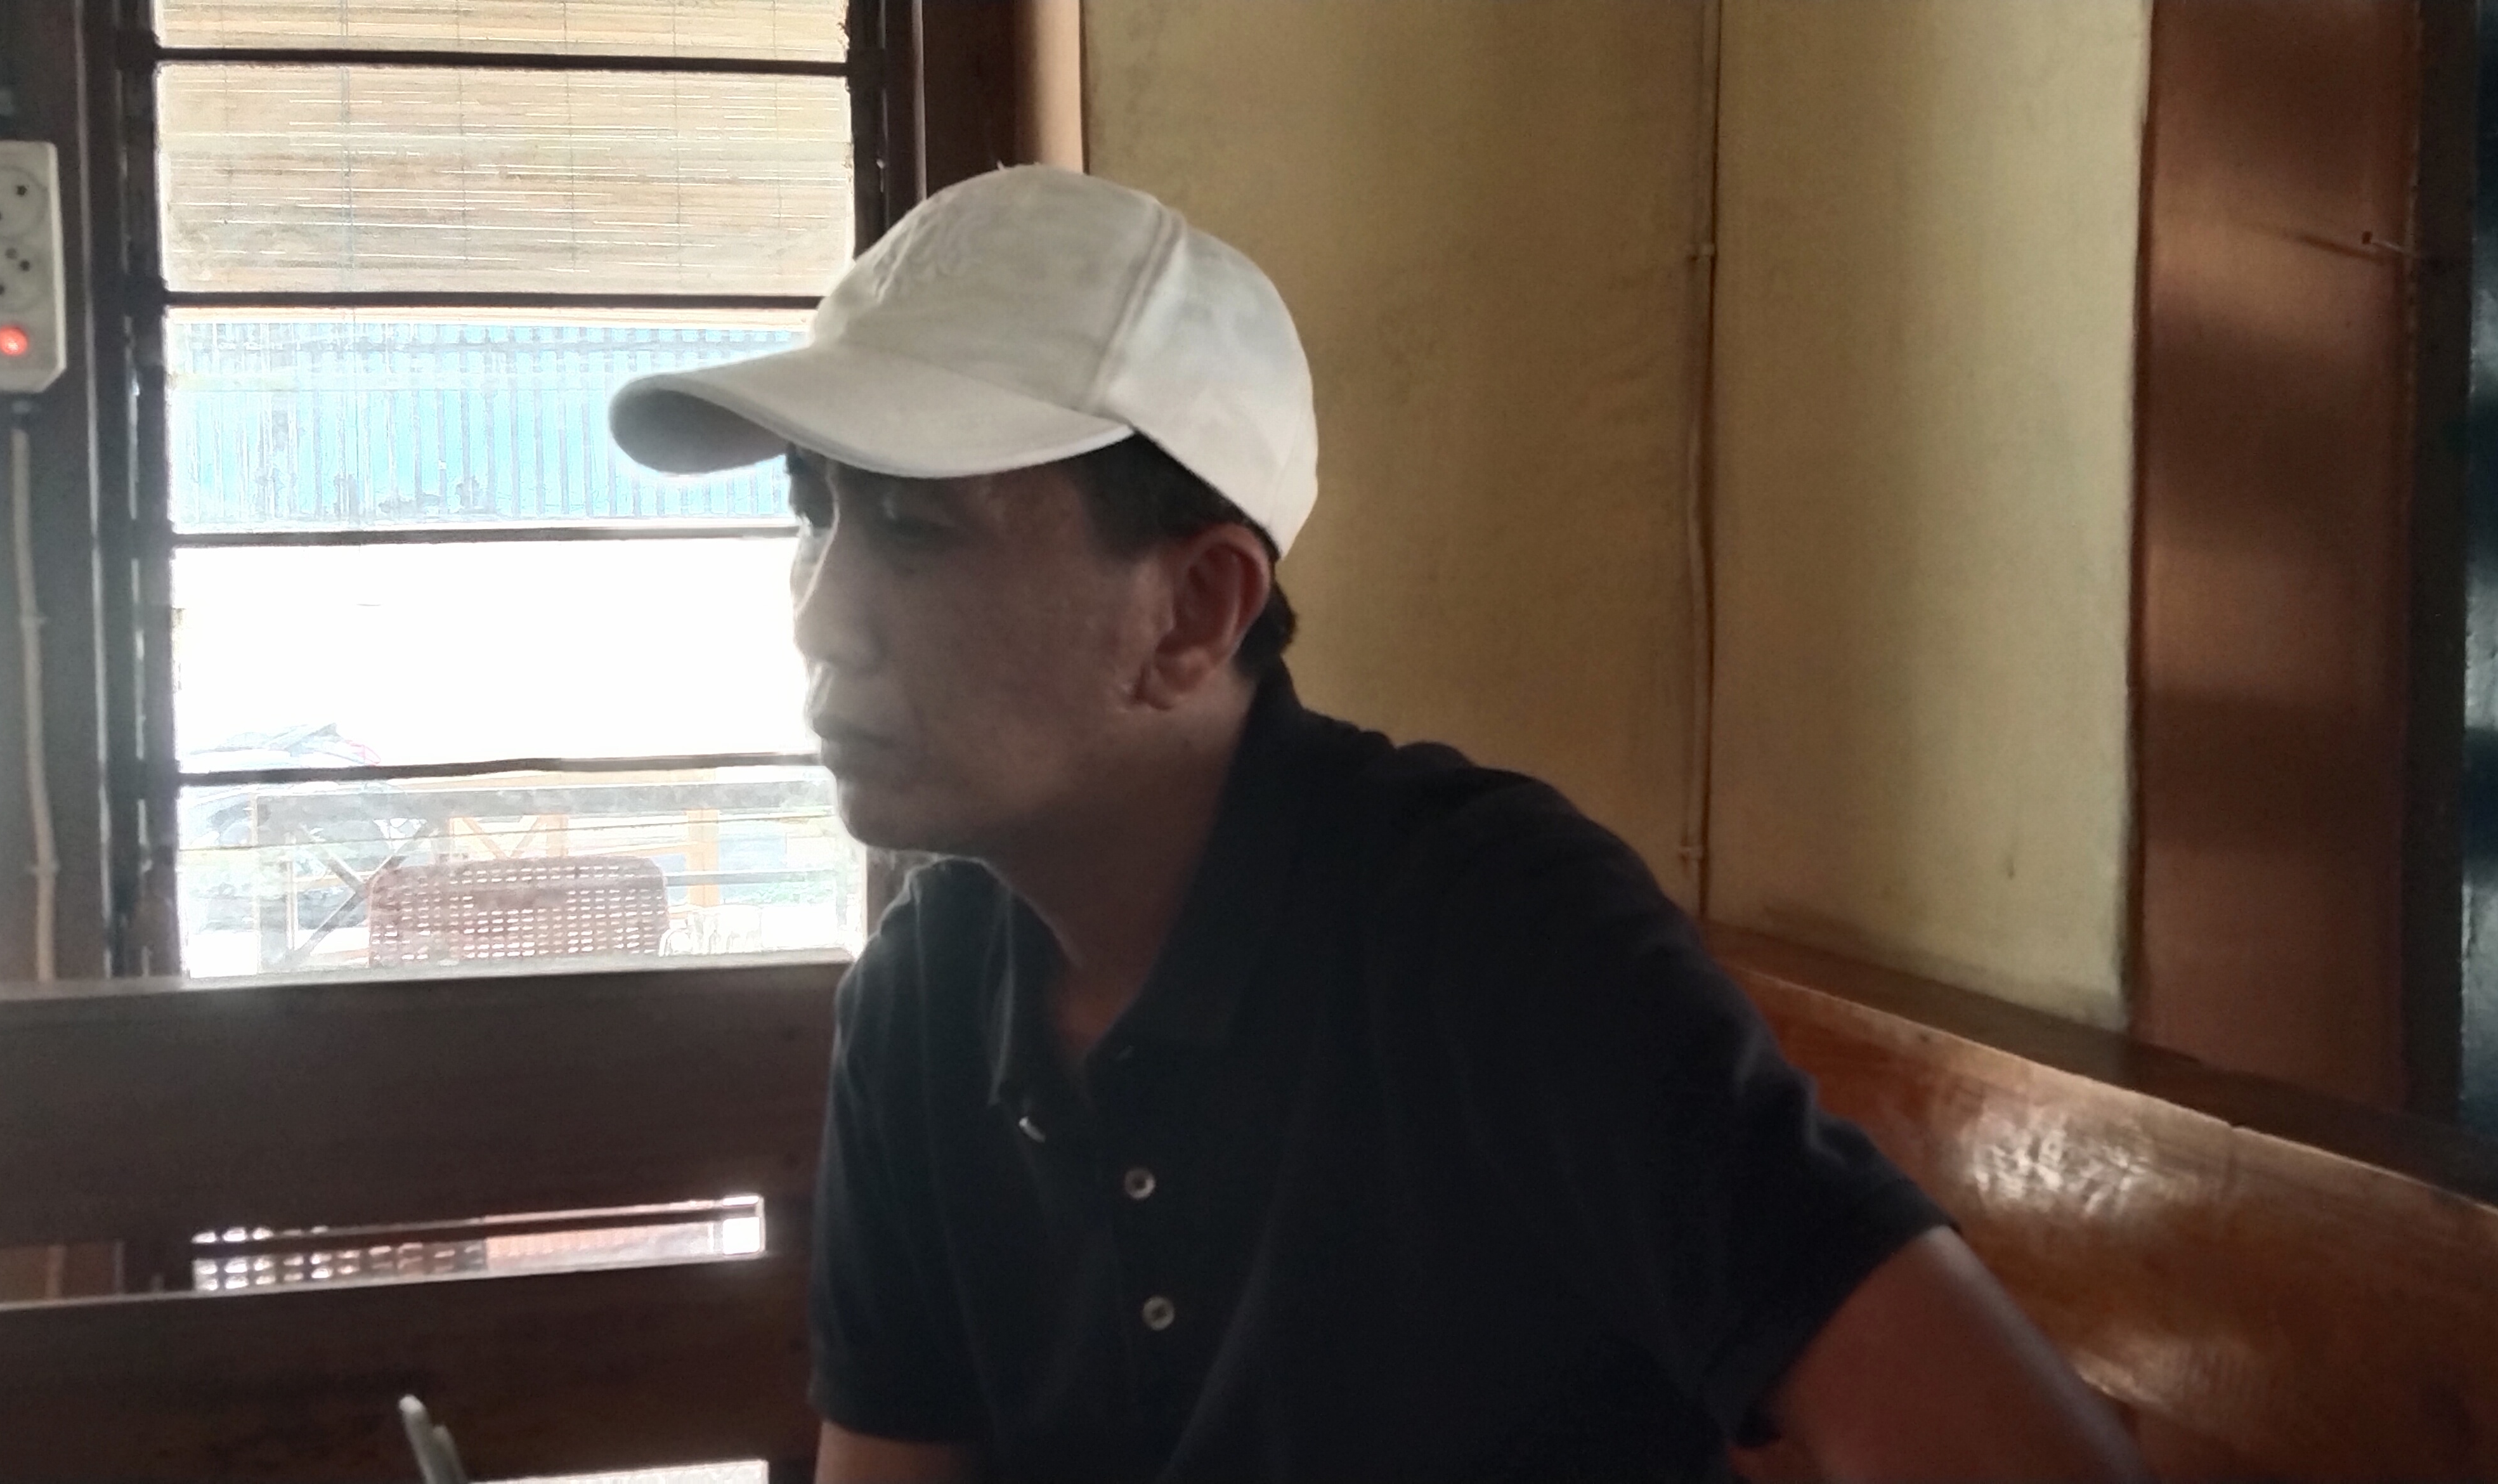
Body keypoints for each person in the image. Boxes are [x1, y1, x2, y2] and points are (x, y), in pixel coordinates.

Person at [611, 166, 2147, 1484]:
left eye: (911, 527)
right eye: (812, 511)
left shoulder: (1495, 935)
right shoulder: (924, 998)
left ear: (1194, 611)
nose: (820, 618)